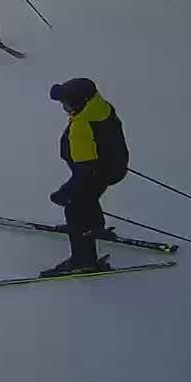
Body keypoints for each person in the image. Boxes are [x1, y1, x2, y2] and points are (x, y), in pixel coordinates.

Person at [41, 77, 129, 276]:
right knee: (89, 198)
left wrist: (65, 192)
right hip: (112, 167)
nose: (64, 107)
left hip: (96, 173)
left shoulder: (82, 126)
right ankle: (96, 227)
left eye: (67, 103)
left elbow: (86, 173)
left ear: (81, 102)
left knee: (75, 208)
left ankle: (83, 260)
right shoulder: (100, 108)